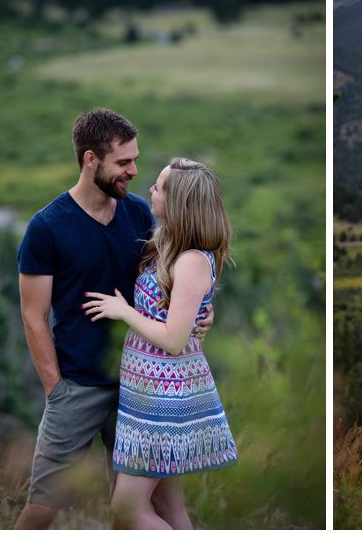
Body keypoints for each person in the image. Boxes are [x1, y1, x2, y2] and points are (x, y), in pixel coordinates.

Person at [14, 109, 212, 529]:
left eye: (135, 160)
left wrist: (200, 314)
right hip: (77, 387)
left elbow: (174, 283)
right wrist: (56, 389)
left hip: (142, 388)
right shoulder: (46, 229)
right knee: (43, 507)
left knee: (139, 509)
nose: (134, 171)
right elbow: (34, 317)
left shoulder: (139, 214)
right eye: (123, 162)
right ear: (91, 160)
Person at [82, 157, 237, 529]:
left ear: (180, 201)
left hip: (166, 401)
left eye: (160, 186)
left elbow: (173, 338)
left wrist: (123, 311)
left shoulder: (192, 261)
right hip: (149, 394)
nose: (151, 188)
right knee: (169, 507)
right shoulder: (169, 247)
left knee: (127, 508)